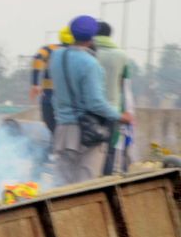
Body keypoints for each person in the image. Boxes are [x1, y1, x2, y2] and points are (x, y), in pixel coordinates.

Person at [49, 15, 133, 186]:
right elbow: (95, 103)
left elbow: (54, 94)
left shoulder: (56, 57)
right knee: (84, 185)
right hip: (86, 133)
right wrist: (119, 116)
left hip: (63, 129)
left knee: (60, 185)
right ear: (92, 37)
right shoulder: (90, 64)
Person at [94, 21, 133, 174]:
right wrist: (127, 112)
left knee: (88, 151)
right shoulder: (122, 56)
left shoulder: (91, 52)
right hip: (113, 109)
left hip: (91, 110)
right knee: (109, 151)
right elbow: (126, 87)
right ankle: (106, 184)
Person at [31, 27, 73, 134]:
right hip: (69, 99)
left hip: (48, 97)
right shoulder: (79, 53)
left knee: (51, 125)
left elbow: (37, 59)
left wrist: (35, 83)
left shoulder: (49, 48)